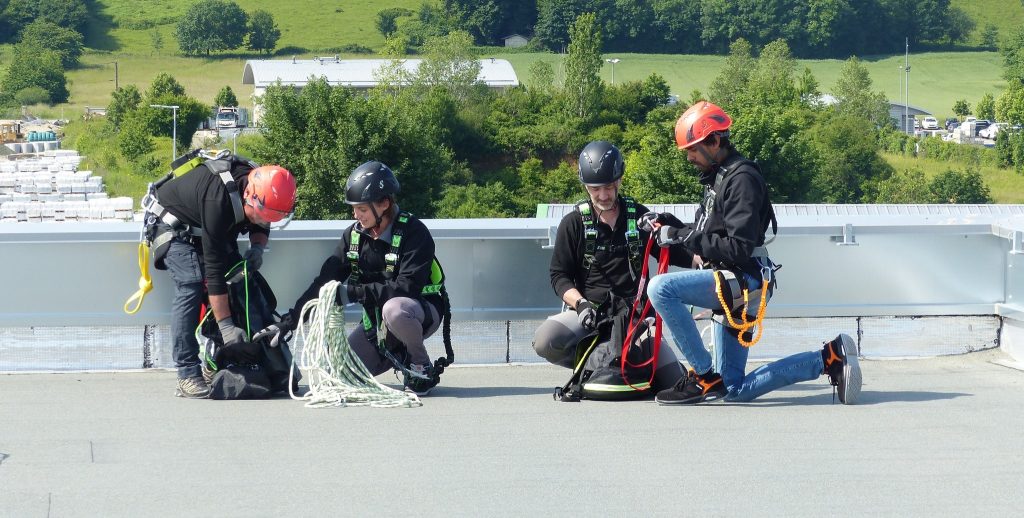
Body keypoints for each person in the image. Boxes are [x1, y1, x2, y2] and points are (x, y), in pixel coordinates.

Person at [644, 100, 862, 405]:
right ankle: (830, 357)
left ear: (714, 141)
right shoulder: (719, 177)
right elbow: (706, 233)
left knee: (661, 289)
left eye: (693, 148)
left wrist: (677, 236)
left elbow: (738, 247)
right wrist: (670, 225)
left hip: (741, 281)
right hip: (732, 282)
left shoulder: (741, 180)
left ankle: (703, 376)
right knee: (733, 389)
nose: (689, 156)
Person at [533, 140, 693, 392]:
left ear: (619, 180)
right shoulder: (574, 224)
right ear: (585, 186)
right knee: (546, 340)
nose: (603, 196)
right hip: (590, 315)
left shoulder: (638, 218)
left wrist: (706, 260)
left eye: (609, 187)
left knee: (671, 381)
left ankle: (621, 364)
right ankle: (599, 364)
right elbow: (559, 275)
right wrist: (581, 304)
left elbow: (675, 253)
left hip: (636, 317)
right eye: (595, 189)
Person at [280, 161, 449, 396]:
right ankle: (394, 351)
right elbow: (325, 282)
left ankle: (419, 365)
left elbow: (406, 288)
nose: (355, 215)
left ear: (384, 204)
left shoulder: (414, 233)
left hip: (418, 310)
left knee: (395, 310)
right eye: (354, 209)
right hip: (375, 321)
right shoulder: (354, 237)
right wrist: (290, 320)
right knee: (342, 374)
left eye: (362, 209)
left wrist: (352, 293)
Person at [147, 153, 297, 398]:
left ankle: (217, 362)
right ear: (249, 195)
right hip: (173, 226)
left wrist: (258, 246)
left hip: (207, 229)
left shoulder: (261, 187)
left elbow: (263, 219)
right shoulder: (219, 199)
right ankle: (187, 373)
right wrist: (226, 326)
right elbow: (215, 273)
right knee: (191, 285)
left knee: (238, 282)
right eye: (259, 215)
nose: (261, 221)